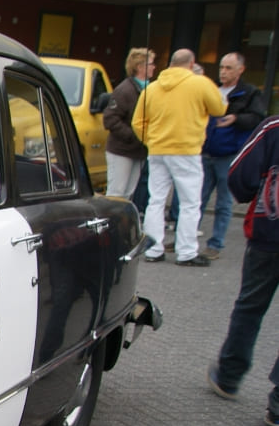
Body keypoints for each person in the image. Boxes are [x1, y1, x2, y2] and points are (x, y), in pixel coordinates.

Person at [207, 115, 279, 426]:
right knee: (249, 306)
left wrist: (255, 194)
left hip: (269, 232)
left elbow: (240, 173)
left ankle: (229, 375)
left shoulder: (274, 128)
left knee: (250, 306)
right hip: (268, 233)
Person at [131, 48, 225, 266]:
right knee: (190, 202)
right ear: (191, 64)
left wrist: (152, 140)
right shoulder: (199, 84)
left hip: (157, 149)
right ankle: (186, 251)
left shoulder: (152, 88)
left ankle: (153, 248)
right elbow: (219, 108)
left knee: (156, 199)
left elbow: (138, 122)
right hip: (186, 149)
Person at [197, 51, 263, 259]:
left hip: (228, 154)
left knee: (223, 202)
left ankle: (215, 244)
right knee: (196, 199)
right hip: (205, 151)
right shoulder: (211, 88)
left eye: (228, 68)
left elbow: (257, 118)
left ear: (240, 70)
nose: (223, 72)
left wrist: (235, 118)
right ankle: (186, 239)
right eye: (221, 68)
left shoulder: (250, 93)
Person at [102, 47, 155, 202]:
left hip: (138, 151)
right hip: (121, 150)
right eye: (151, 64)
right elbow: (110, 119)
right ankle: (110, 224)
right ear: (140, 67)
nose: (154, 67)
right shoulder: (125, 90)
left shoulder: (150, 89)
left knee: (128, 193)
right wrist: (134, 136)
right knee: (116, 192)